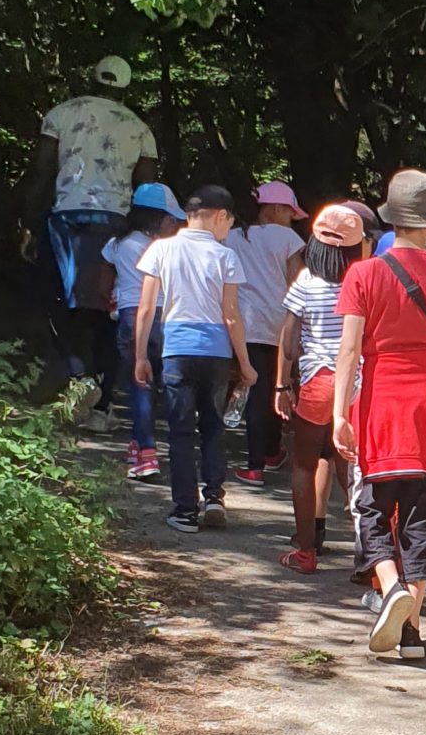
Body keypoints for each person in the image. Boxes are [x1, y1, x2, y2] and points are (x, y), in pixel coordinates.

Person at [331, 170, 426, 661]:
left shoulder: (363, 274)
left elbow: (349, 351)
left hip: (379, 405)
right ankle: (411, 632)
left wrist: (337, 414)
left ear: (391, 219)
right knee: (423, 520)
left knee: (372, 507)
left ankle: (388, 586)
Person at [20, 54, 158, 396]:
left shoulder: (61, 114)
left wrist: (29, 222)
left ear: (93, 79)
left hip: (65, 214)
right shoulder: (139, 128)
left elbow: (42, 172)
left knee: (59, 297)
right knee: (106, 302)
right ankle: (101, 393)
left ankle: (74, 373)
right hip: (113, 219)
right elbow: (146, 187)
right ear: (126, 88)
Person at [133, 184, 255, 532]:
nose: (227, 231)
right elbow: (231, 315)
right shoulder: (225, 256)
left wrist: (141, 355)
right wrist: (245, 364)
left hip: (176, 350)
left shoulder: (161, 248)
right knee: (214, 427)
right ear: (220, 216)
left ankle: (185, 510)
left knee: (181, 431)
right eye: (229, 224)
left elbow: (145, 309)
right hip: (215, 352)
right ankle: (215, 496)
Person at [274, 201, 367, 573]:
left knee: (304, 463)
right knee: (354, 468)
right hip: (358, 383)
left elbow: (290, 341)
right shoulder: (362, 282)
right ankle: (373, 553)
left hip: (317, 381)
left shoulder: (306, 283)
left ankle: (306, 552)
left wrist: (282, 384)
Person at [226, 182, 307, 485]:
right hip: (281, 323)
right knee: (278, 387)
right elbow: (296, 281)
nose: (291, 218)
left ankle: (256, 463)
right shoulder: (287, 238)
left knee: (257, 391)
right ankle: (269, 453)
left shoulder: (233, 237)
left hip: (247, 324)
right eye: (289, 211)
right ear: (274, 208)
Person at [101, 183, 182, 479]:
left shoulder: (117, 244)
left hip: (129, 316)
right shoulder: (162, 247)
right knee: (163, 384)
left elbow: (103, 281)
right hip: (164, 317)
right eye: (171, 218)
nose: (174, 224)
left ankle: (145, 451)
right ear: (156, 219)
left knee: (140, 385)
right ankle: (150, 445)